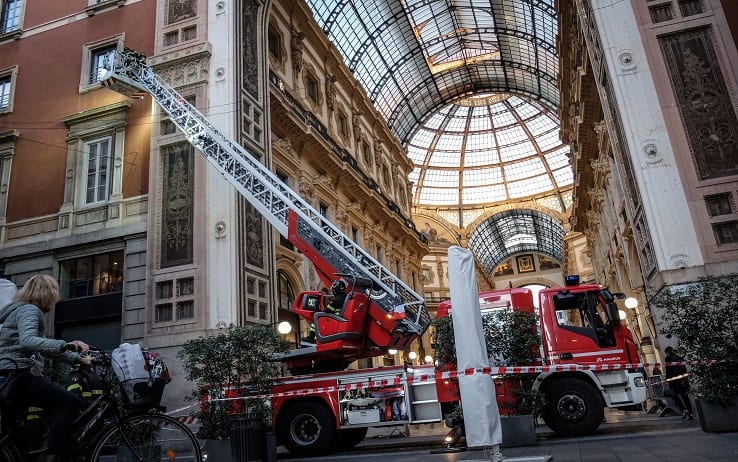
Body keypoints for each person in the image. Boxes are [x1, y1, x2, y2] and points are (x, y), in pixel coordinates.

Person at [0, 275, 92, 462]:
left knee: (13, 434)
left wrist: (76, 359)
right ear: (47, 295)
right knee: (69, 403)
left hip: (10, 374)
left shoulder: (21, 309)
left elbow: (45, 349)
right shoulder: (30, 310)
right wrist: (67, 344)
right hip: (18, 374)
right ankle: (52, 456)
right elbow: (29, 341)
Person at [302, 278, 348, 344]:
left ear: (336, 289)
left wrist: (322, 310)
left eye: (334, 290)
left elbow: (328, 310)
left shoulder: (337, 300)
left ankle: (311, 337)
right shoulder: (343, 297)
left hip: (335, 318)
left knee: (316, 317)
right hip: (339, 317)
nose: (333, 291)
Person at [664, 346, 694, 420]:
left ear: (667, 352)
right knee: (685, 397)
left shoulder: (668, 359)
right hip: (683, 381)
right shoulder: (680, 358)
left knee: (674, 396)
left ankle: (684, 410)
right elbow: (684, 370)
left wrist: (668, 380)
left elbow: (668, 371)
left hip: (675, 382)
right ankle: (690, 413)